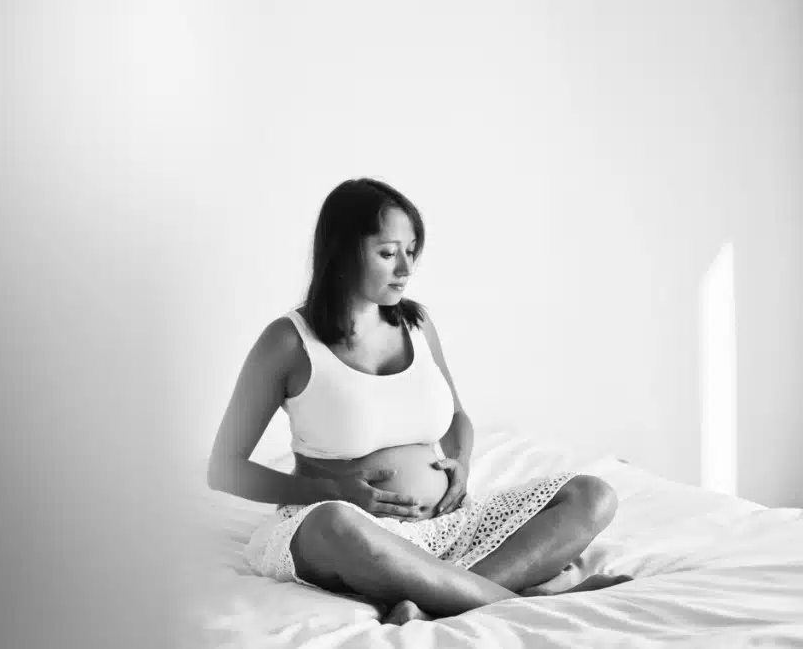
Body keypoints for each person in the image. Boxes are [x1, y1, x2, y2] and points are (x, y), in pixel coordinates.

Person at [206, 178, 630, 624]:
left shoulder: (416, 323)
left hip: (444, 527)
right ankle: (531, 601)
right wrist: (328, 491)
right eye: (388, 253)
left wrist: (461, 463)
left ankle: (431, 600)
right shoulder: (288, 342)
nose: (405, 268)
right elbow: (223, 468)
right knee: (336, 523)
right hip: (348, 534)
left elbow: (457, 417)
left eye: (412, 251)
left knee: (592, 495)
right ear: (343, 253)